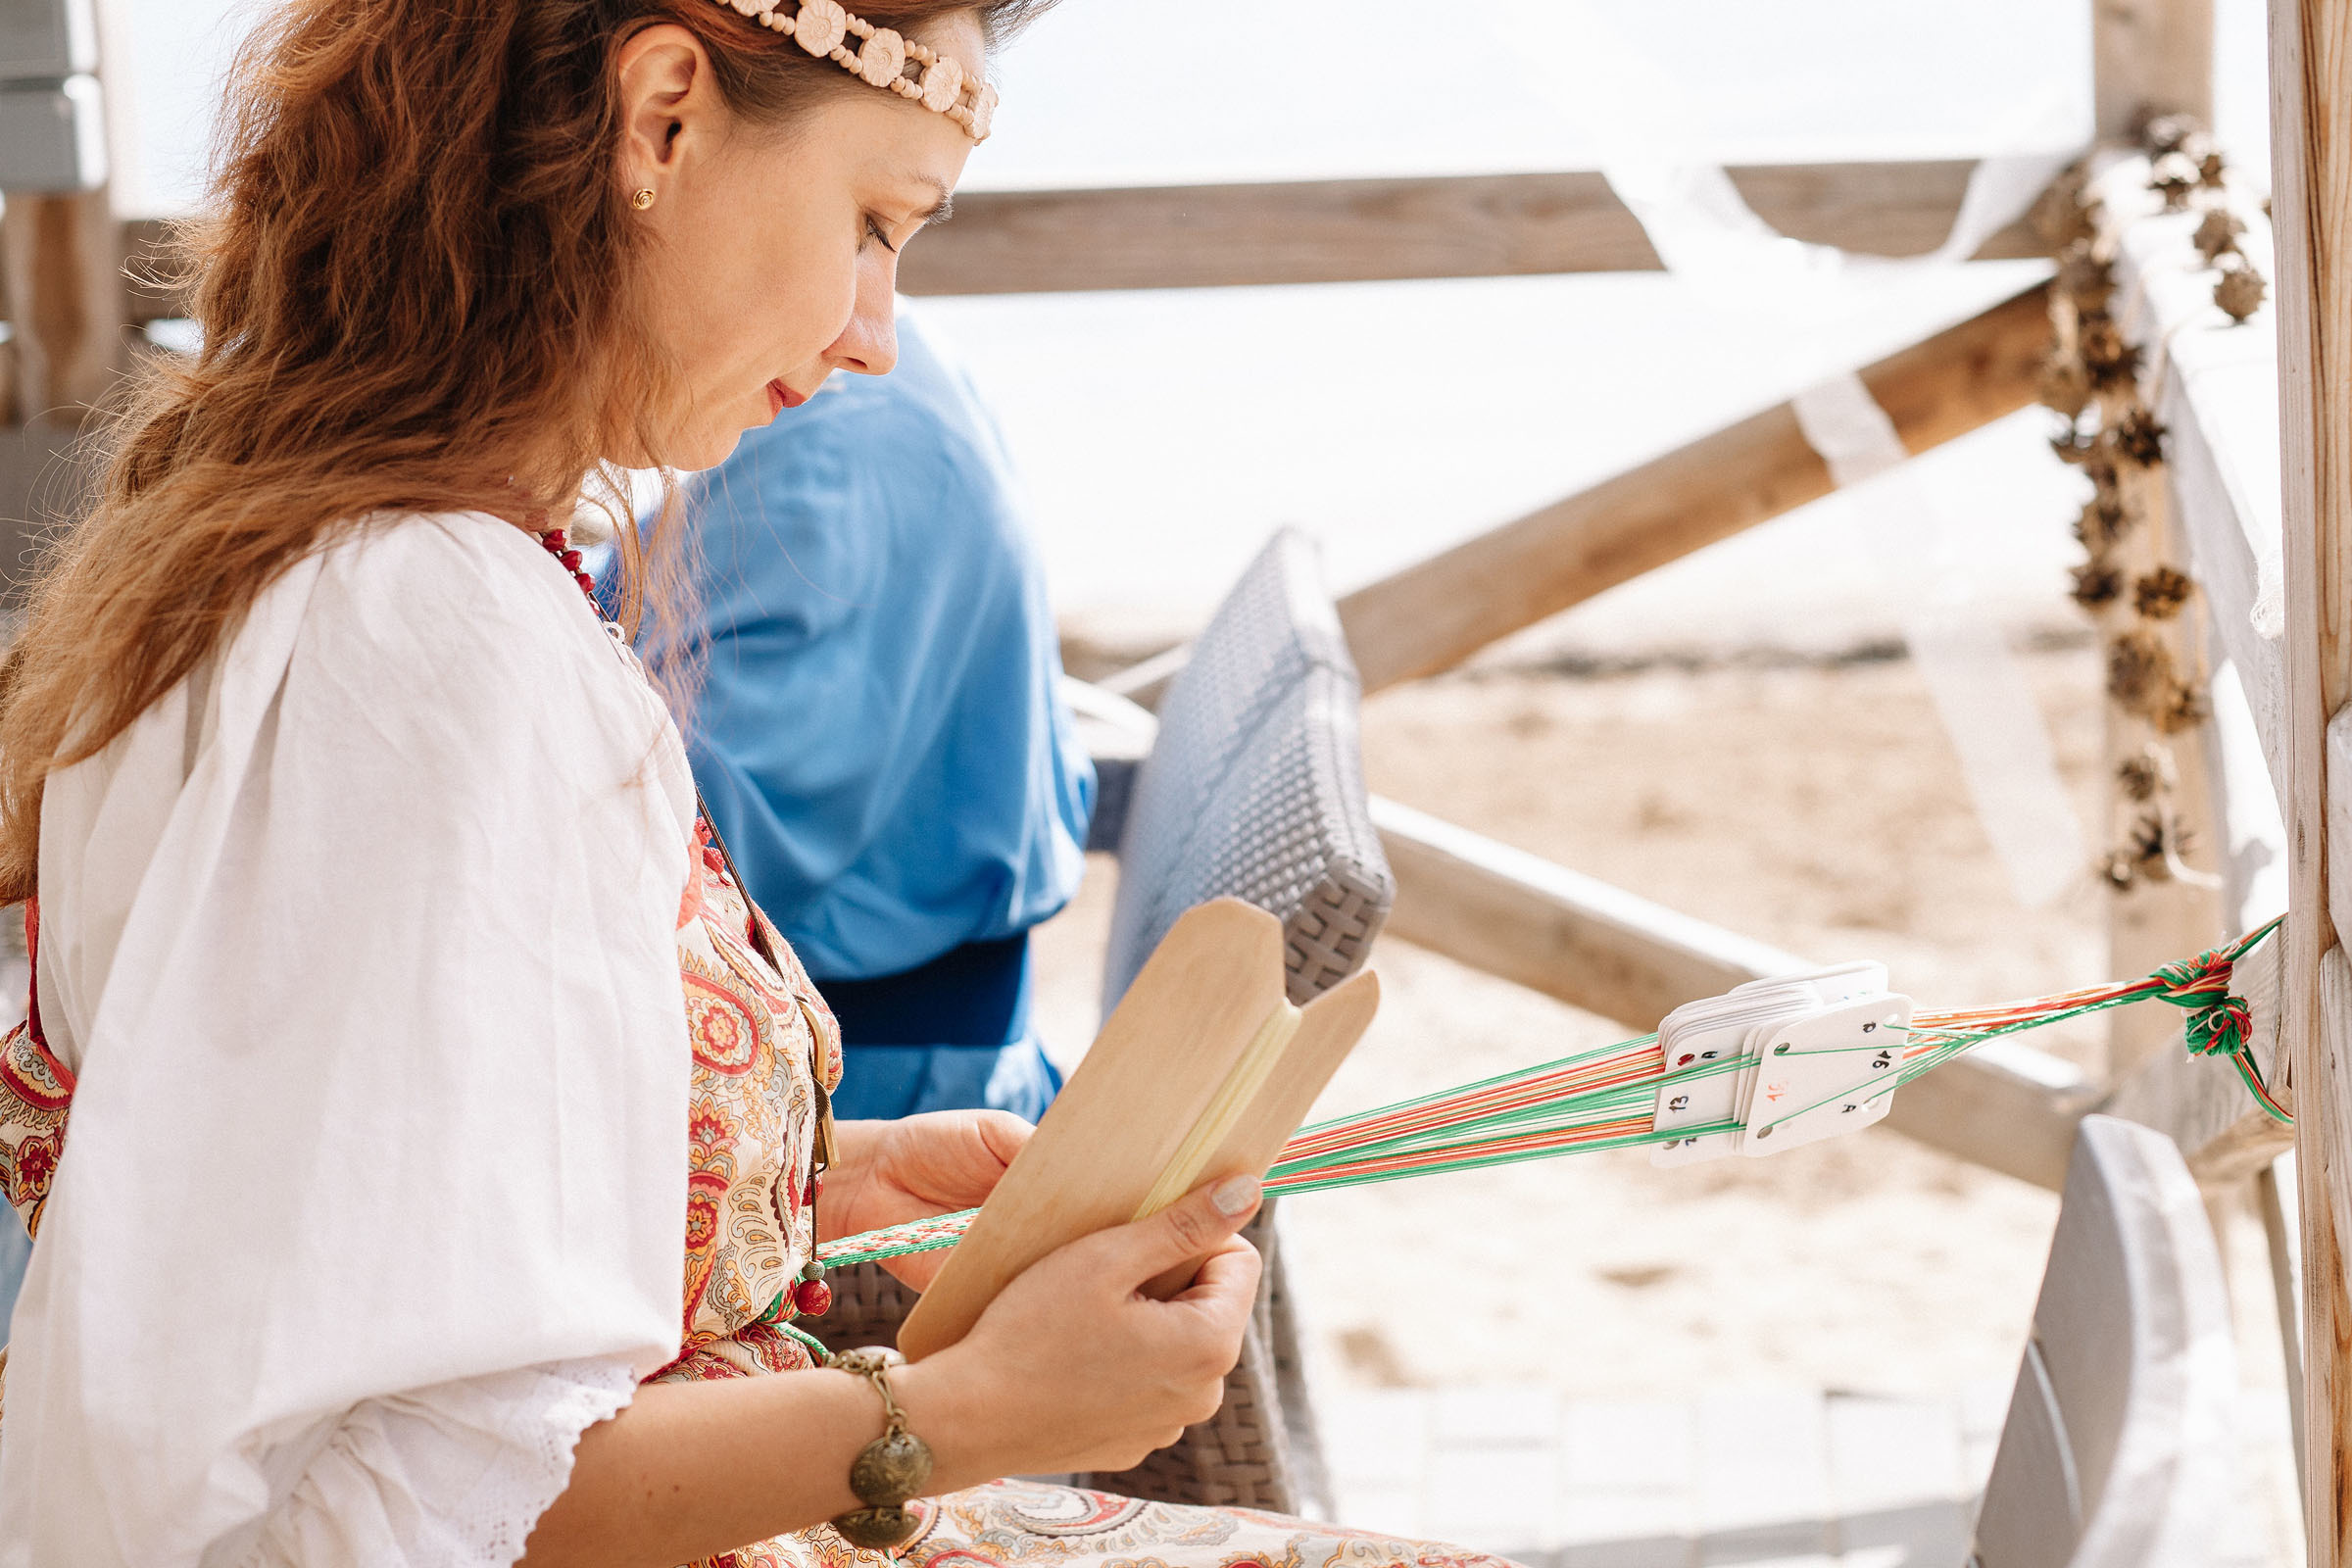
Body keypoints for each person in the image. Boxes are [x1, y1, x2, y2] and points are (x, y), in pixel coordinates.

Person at [0, 0, 1515, 1564]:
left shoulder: (296, 555)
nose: (877, 331)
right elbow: (401, 1500)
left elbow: (353, 1214)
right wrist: (974, 1411)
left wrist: (813, 1179)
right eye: (872, 221)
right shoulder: (428, 642)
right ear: (661, 119)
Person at [622, 309, 1089, 1126]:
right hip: (943, 1024)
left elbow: (679, 878)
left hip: (873, 1090)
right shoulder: (876, 374)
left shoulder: (821, 465)